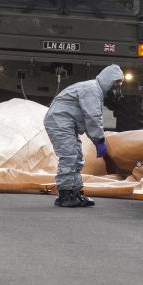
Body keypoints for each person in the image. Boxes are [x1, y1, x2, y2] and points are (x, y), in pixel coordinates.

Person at [43, 64, 124, 208]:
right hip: (59, 121)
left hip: (65, 122)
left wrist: (97, 138)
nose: (117, 89)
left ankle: (75, 192)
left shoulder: (95, 90)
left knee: (77, 156)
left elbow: (89, 118)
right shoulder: (92, 89)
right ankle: (65, 195)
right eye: (116, 84)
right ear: (108, 80)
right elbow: (93, 117)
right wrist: (99, 140)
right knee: (69, 156)